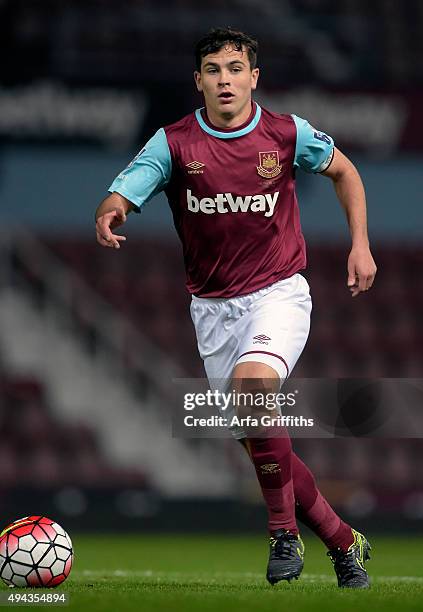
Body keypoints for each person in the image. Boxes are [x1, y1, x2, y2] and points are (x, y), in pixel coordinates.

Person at [95, 27, 377, 588]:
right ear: (197, 81)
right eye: (213, 70)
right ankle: (346, 543)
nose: (225, 79)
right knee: (260, 441)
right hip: (212, 311)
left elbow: (345, 170)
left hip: (279, 293)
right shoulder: (173, 143)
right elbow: (125, 190)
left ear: (254, 77)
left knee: (254, 389)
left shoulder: (286, 133)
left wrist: (360, 243)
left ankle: (282, 537)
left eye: (235, 68)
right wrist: (113, 210)